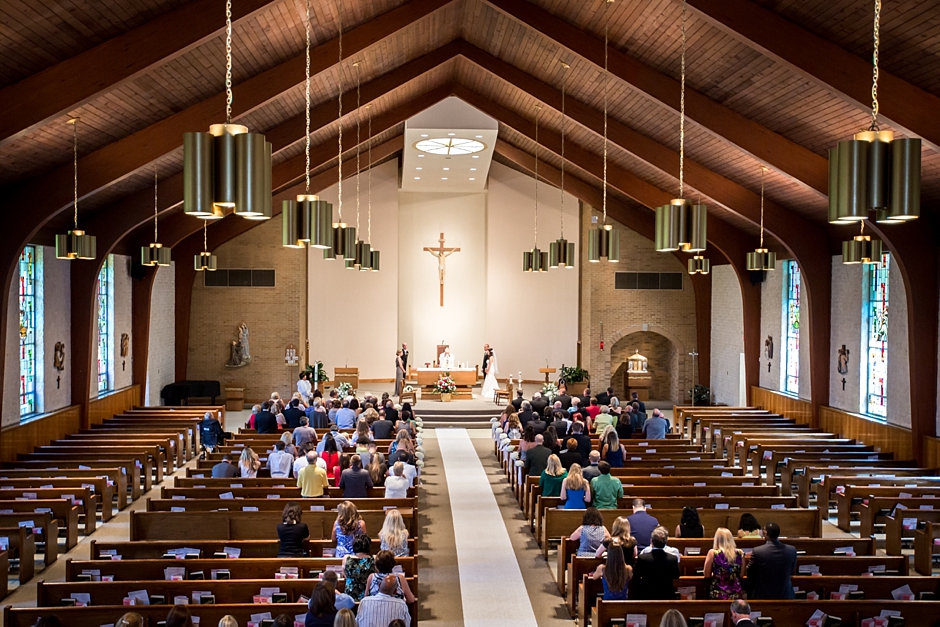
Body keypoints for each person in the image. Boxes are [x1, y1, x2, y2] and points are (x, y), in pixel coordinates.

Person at [747, 521, 797, 599]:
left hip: (763, 594)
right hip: (785, 594)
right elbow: (792, 570)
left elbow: (750, 573)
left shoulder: (758, 551)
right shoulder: (792, 550)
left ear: (765, 533)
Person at [631, 526, 681, 600]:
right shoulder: (672, 559)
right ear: (665, 542)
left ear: (651, 541)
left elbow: (635, 576)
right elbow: (676, 575)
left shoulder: (643, 558)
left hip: (647, 595)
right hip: (667, 595)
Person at [704, 527, 745, 600]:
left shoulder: (713, 553)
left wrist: (718, 574)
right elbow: (741, 575)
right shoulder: (740, 553)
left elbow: (707, 575)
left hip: (718, 593)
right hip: (736, 594)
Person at [342, 534, 374, 602]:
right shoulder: (373, 559)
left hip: (350, 595)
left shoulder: (346, 558)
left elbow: (345, 574)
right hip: (367, 595)